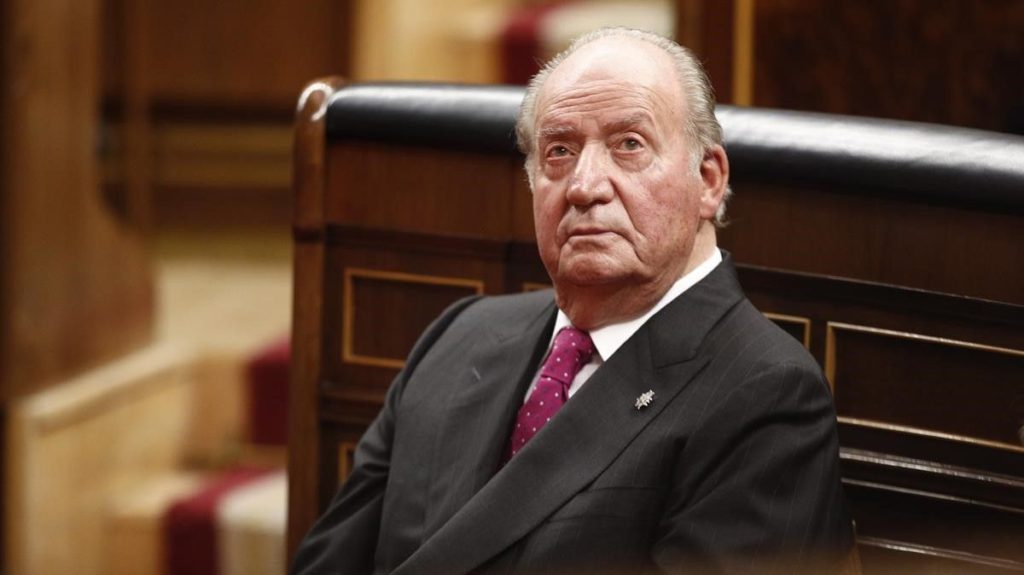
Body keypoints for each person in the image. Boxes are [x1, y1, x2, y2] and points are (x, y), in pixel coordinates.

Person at [291, 27, 854, 575]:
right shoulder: (461, 334)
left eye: (628, 145)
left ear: (707, 179)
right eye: (559, 151)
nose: (585, 186)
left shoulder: (765, 392)